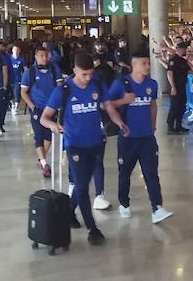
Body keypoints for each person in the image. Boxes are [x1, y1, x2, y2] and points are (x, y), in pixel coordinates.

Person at [40, 53, 123, 246]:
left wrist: (119, 121)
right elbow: (45, 116)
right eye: (84, 74)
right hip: (74, 144)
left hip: (96, 142)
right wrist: (53, 125)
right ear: (75, 70)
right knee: (83, 188)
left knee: (82, 182)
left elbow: (108, 106)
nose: (88, 78)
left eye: (90, 74)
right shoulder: (64, 90)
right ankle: (93, 229)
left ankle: (68, 213)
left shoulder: (97, 83)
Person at [108, 51, 174, 224]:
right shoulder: (121, 84)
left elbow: (153, 106)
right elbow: (106, 104)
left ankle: (157, 208)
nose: (148, 66)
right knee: (125, 173)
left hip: (147, 138)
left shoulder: (152, 84)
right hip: (127, 139)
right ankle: (124, 204)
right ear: (134, 65)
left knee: (151, 173)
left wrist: (152, 127)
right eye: (144, 63)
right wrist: (123, 101)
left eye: (148, 63)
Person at [20, 47, 63, 178]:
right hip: (37, 108)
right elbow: (23, 92)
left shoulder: (54, 70)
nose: (44, 58)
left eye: (46, 56)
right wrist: (32, 107)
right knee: (38, 135)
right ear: (36, 57)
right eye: (41, 56)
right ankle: (44, 163)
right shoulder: (30, 73)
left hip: (51, 108)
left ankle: (41, 158)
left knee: (48, 137)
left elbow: (61, 87)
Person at [167, 42, 191, 135]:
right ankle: (170, 126)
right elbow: (170, 73)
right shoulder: (173, 60)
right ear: (181, 49)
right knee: (174, 107)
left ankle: (178, 125)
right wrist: (173, 87)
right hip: (175, 87)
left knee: (181, 106)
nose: (186, 51)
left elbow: (190, 70)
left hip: (182, 87)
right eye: (185, 49)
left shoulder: (183, 60)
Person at [9, 45, 27, 116]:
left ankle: (15, 108)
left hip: (18, 79)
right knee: (9, 94)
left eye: (17, 50)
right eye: (14, 50)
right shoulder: (9, 58)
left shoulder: (21, 59)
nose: (16, 52)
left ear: (19, 51)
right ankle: (13, 104)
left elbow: (25, 68)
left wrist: (26, 77)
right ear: (12, 51)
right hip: (9, 79)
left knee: (16, 93)